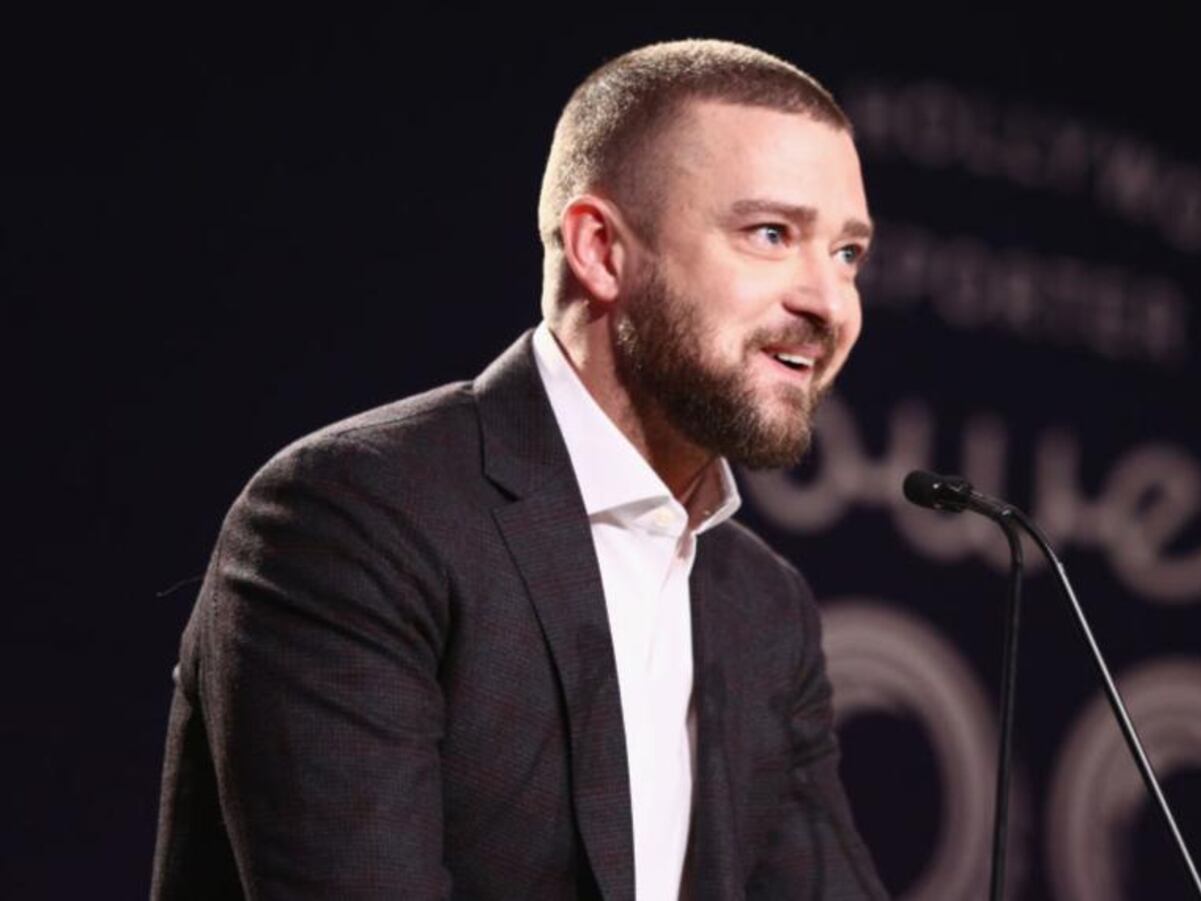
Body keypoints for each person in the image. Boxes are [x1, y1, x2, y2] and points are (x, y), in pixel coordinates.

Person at [150, 39, 887, 900]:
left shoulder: (765, 608)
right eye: (771, 234)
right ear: (602, 250)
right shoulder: (355, 519)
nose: (829, 303)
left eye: (848, 255)